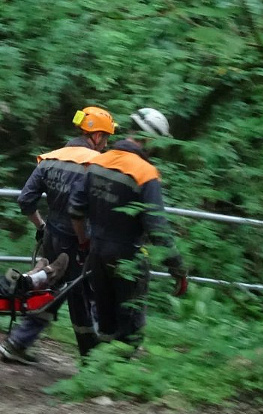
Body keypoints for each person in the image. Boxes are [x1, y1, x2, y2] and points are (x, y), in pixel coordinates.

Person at [0, 106, 115, 365]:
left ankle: (17, 342)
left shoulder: (50, 159)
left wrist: (41, 226)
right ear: (95, 136)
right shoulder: (95, 164)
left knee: (51, 290)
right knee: (81, 295)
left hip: (52, 237)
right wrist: (86, 241)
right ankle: (91, 362)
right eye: (105, 138)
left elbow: (26, 200)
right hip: (77, 242)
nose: (105, 145)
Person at [68, 107, 188, 353]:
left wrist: (85, 243)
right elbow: (157, 228)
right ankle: (114, 382)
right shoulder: (146, 173)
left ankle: (99, 376)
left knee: (106, 320)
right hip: (128, 257)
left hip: (97, 253)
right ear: (150, 139)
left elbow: (76, 209)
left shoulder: (97, 161)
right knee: (130, 326)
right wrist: (177, 268)